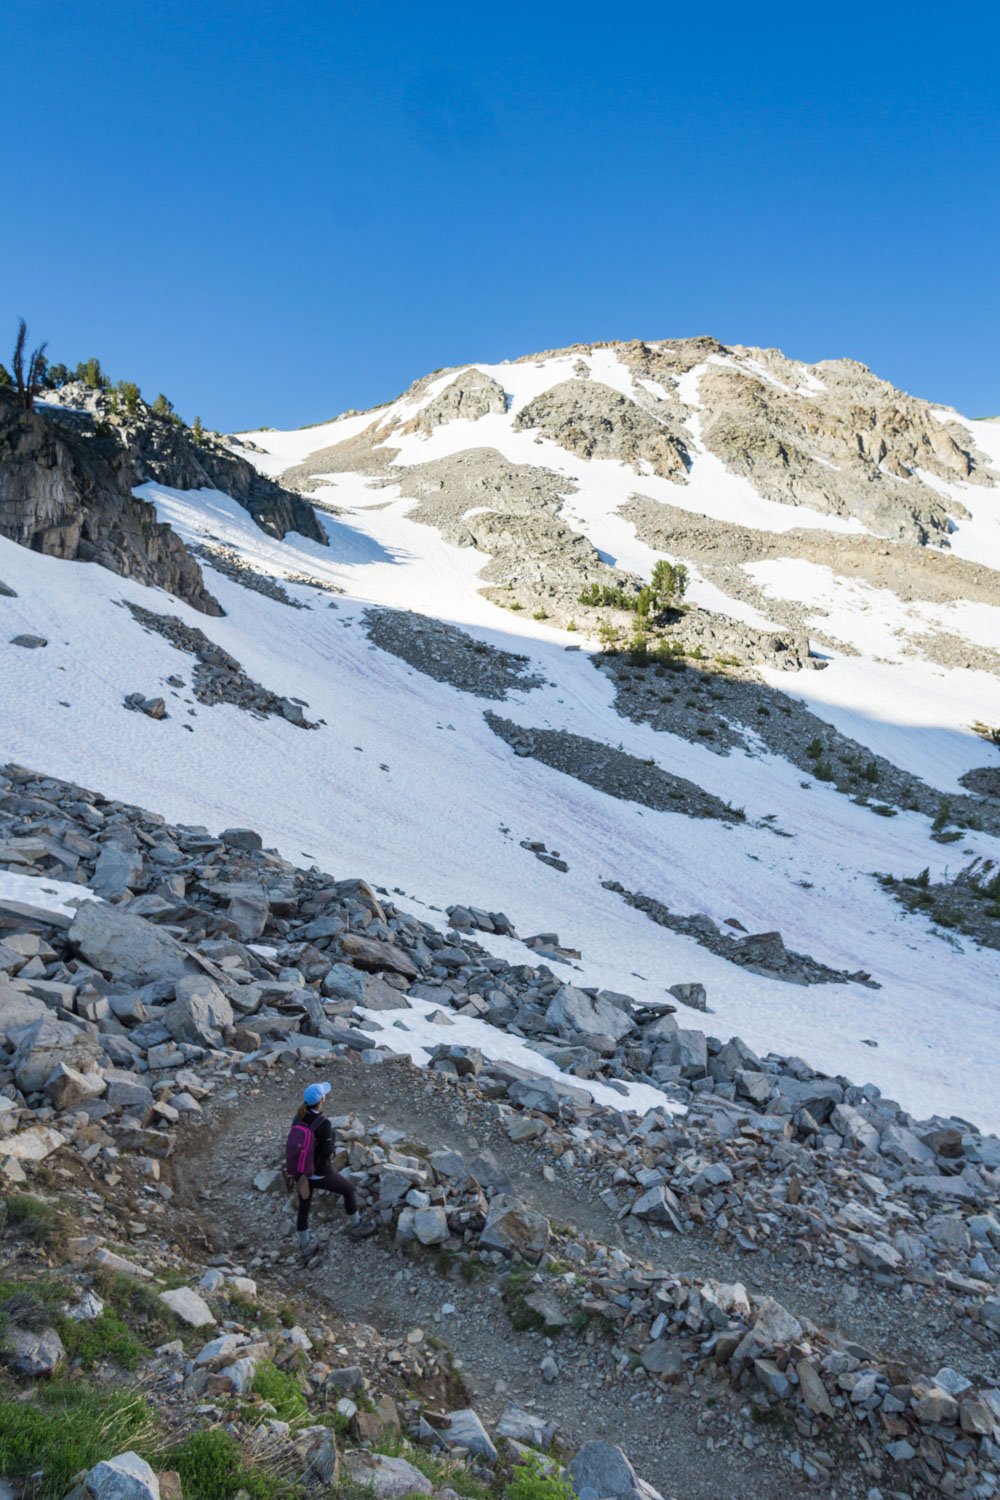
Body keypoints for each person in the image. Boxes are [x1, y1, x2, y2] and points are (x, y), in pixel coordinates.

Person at [293, 1081, 375, 1253]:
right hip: (319, 1173)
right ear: (322, 1099)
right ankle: (356, 1227)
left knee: (304, 1207)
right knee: (348, 1189)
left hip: (301, 1173)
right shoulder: (323, 1123)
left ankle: (305, 1245)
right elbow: (327, 1150)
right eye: (324, 1095)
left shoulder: (298, 1117)